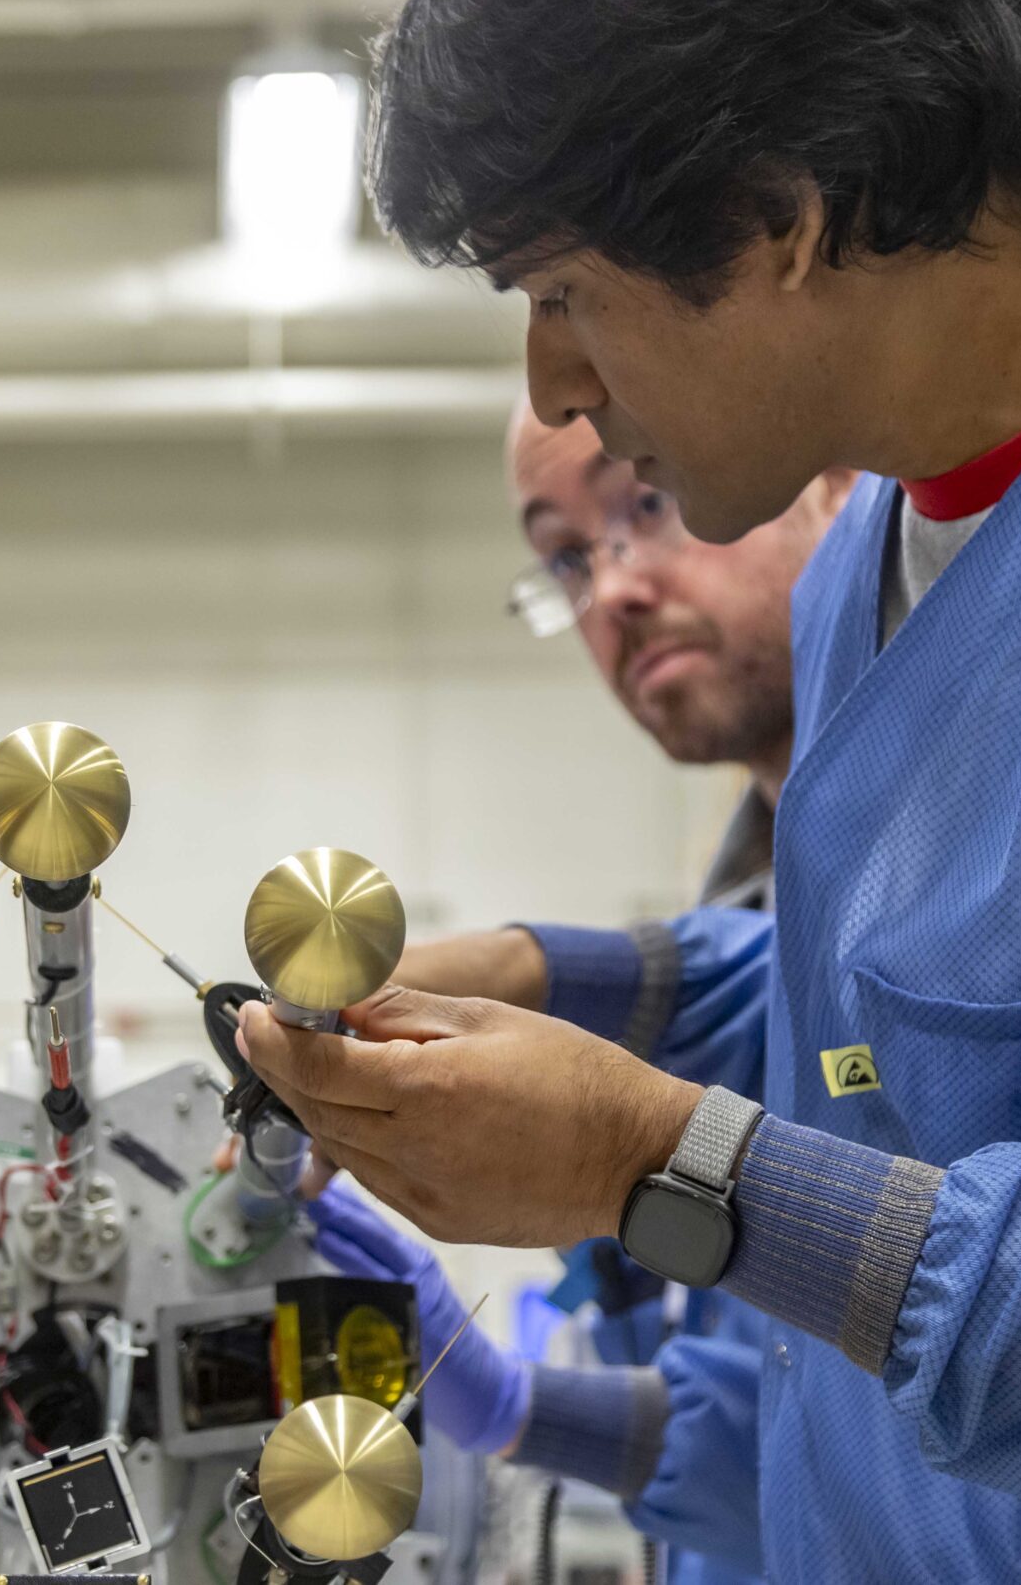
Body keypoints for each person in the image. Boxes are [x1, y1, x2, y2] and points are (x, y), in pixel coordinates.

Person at [240, 0, 1021, 1579]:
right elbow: (957, 1029)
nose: (552, 386)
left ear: (781, 213)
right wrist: (559, 984)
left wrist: (656, 1164)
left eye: (562, 290)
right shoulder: (868, 570)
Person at [311, 407, 844, 1584]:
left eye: (647, 502)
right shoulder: (761, 893)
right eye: (564, 555)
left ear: (844, 480)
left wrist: (514, 1408)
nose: (612, 590)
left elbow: (926, 1448)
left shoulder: (972, 865)